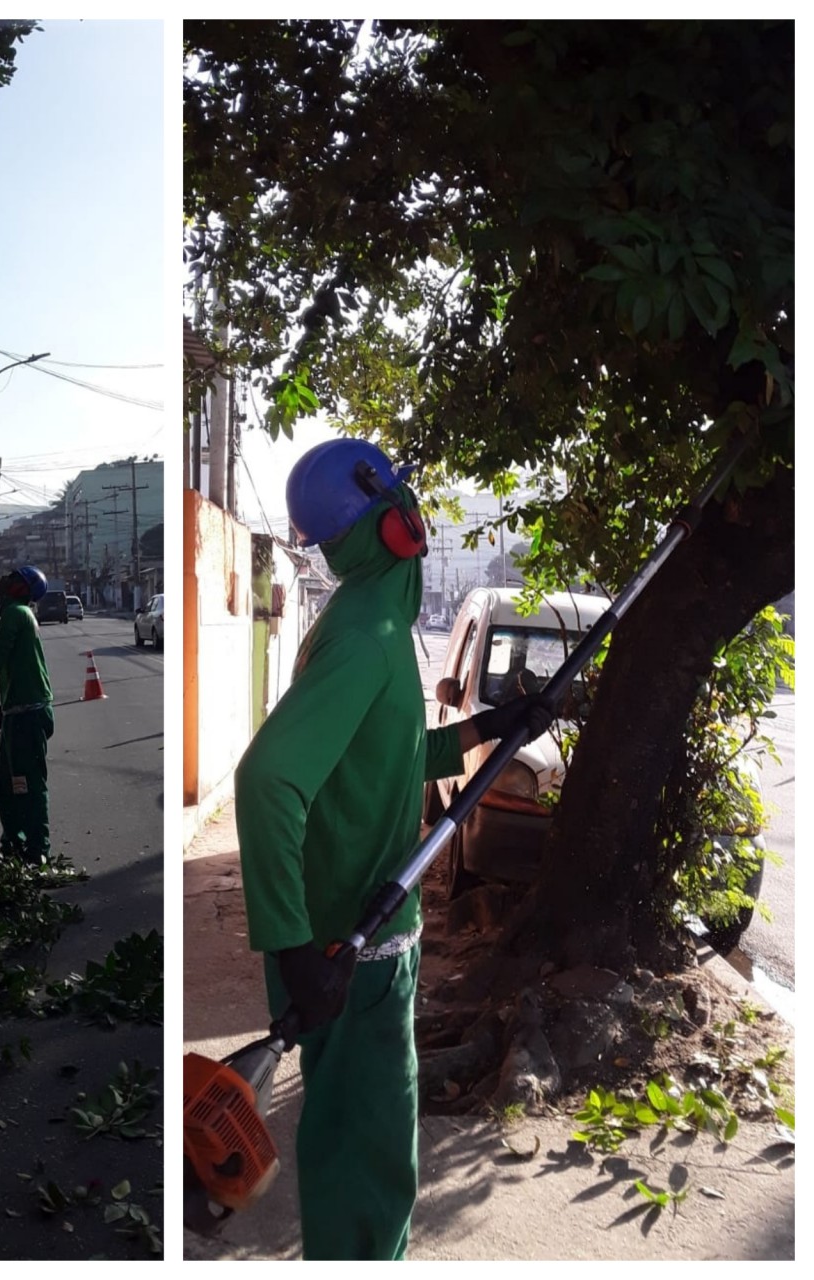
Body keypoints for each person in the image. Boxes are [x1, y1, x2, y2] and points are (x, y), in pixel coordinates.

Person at [233, 439, 555, 1261]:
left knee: (354, 1141)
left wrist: (491, 728)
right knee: (367, 1162)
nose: (420, 519)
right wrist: (294, 945)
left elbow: (389, 755)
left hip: (361, 938)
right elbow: (267, 780)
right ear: (393, 524)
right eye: (406, 507)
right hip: (352, 950)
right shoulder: (370, 635)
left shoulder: (371, 622)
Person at [0, 565, 55, 861]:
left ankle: (37, 850)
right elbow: (10, 667)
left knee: (28, 784)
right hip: (18, 712)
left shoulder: (15, 614)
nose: (4, 577)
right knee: (6, 784)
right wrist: (4, 708)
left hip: (28, 714)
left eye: (13, 576)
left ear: (20, 588)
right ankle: (14, 844)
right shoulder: (16, 614)